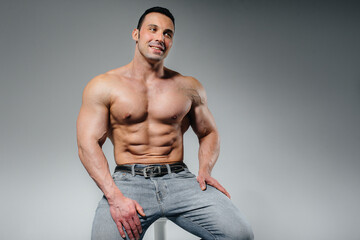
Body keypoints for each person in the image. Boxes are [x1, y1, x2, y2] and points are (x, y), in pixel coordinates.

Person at [76, 6, 254, 240]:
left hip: (180, 180)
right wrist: (114, 196)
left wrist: (205, 170)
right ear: (136, 34)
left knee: (240, 235)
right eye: (153, 29)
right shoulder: (103, 85)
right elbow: (87, 143)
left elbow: (209, 132)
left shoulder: (188, 86)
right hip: (129, 183)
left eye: (168, 33)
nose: (160, 37)